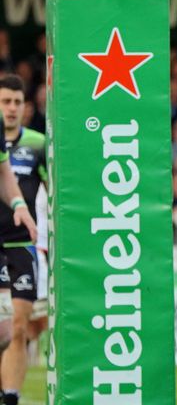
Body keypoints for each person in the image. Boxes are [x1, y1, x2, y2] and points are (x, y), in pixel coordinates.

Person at [0, 75, 44, 405]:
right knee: (3, 328)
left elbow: (57, 190)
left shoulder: (38, 143)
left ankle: (11, 396)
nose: (12, 108)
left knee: (19, 327)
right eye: (6, 101)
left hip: (22, 245)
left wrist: (23, 210)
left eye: (17, 102)